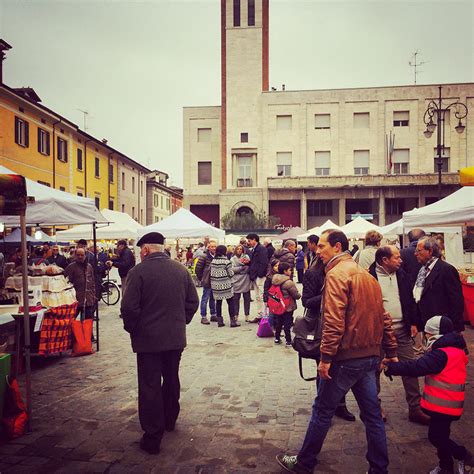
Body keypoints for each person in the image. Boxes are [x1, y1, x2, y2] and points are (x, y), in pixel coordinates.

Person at [277, 229, 398, 474]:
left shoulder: (336, 274)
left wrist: (326, 358)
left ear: (337, 247)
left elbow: (333, 321)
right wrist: (390, 349)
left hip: (345, 358)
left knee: (322, 411)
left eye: (322, 246)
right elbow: (383, 316)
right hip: (369, 357)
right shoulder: (366, 275)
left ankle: (304, 463)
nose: (317, 251)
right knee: (372, 416)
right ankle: (379, 468)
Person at [121, 232, 199, 455]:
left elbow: (129, 308)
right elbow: (192, 302)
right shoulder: (180, 269)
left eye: (140, 251)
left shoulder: (138, 272)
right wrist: (180, 321)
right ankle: (169, 419)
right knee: (171, 377)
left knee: (150, 385)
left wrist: (134, 328)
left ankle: (153, 436)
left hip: (148, 341)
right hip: (175, 338)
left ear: (145, 250)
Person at [384, 316, 473, 474]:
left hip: (443, 405)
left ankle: (463, 455)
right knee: (441, 435)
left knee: (436, 437)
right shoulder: (455, 350)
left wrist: (392, 367)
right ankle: (445, 466)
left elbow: (417, 367)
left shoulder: (441, 354)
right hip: (451, 404)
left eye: (426, 335)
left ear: (434, 335)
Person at [369, 245, 430, 425]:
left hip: (402, 331)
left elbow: (410, 300)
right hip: (377, 333)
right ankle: (375, 407)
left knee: (409, 367)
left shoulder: (402, 275)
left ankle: (415, 408)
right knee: (374, 370)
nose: (401, 260)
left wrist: (413, 322)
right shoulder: (369, 276)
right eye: (397, 257)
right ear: (385, 260)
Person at [301, 254, 356, 422]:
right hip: (321, 327)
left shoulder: (347, 273)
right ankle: (324, 410)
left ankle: (340, 406)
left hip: (344, 325)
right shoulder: (313, 273)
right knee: (324, 368)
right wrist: (329, 294)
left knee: (341, 367)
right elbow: (307, 301)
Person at [413, 237, 464, 333]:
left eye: (418, 251)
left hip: (442, 328)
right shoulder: (422, 270)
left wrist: (455, 329)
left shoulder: (446, 269)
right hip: (427, 326)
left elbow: (457, 302)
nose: (415, 254)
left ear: (430, 251)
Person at [271, 262, 300, 346]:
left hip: (278, 304)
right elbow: (295, 295)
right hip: (287, 306)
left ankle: (277, 338)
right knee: (287, 323)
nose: (291, 271)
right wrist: (299, 295)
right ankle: (288, 340)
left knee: (278, 322)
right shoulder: (288, 282)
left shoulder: (274, 279)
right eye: (289, 270)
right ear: (285, 271)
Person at [210, 245, 239, 328]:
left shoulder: (213, 261)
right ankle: (233, 322)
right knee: (230, 302)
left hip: (215, 285)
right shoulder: (227, 261)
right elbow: (231, 273)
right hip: (226, 285)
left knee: (218, 303)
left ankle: (220, 321)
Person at [64, 247, 96, 321]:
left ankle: (88, 333)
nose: (80, 257)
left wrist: (93, 295)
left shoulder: (89, 267)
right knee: (71, 320)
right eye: (78, 255)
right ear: (75, 255)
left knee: (88, 322)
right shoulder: (71, 267)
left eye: (82, 255)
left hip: (88, 299)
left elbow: (92, 282)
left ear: (85, 255)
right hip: (76, 299)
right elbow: (66, 282)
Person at [246, 233, 268, 322]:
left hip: (259, 276)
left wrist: (260, 274)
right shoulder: (255, 249)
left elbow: (264, 262)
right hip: (255, 276)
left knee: (262, 296)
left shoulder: (261, 248)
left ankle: (265, 315)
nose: (248, 242)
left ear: (254, 239)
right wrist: (248, 262)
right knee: (257, 297)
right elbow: (255, 262)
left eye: (249, 240)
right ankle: (260, 314)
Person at [195, 240, 217, 325]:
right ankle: (203, 316)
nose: (214, 248)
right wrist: (202, 279)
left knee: (213, 298)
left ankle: (213, 314)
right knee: (205, 299)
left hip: (214, 281)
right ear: (208, 247)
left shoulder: (216, 256)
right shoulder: (204, 256)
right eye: (212, 246)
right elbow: (198, 269)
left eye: (215, 246)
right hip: (207, 281)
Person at [231, 245, 251, 323]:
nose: (239, 250)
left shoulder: (246, 257)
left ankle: (247, 315)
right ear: (235, 250)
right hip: (236, 280)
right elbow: (232, 269)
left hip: (245, 279)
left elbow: (248, 267)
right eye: (238, 249)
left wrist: (239, 270)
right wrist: (241, 268)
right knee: (236, 299)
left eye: (241, 249)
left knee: (247, 299)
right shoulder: (232, 259)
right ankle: (236, 315)